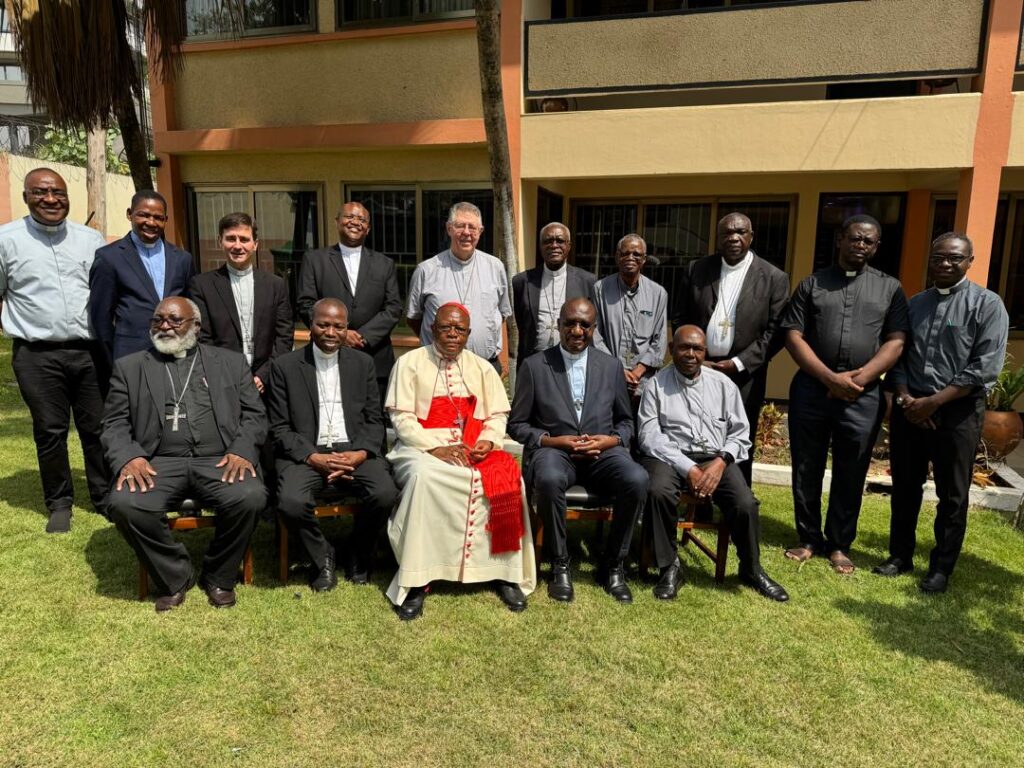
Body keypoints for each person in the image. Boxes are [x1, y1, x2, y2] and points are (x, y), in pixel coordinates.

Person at [102, 297, 267, 611]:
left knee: (250, 496)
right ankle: (176, 576)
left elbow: (255, 415)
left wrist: (242, 451)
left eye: (175, 320)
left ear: (197, 326)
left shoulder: (230, 363)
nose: (164, 326)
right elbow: (113, 423)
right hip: (157, 462)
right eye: (158, 319)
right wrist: (129, 457)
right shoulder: (130, 367)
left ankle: (218, 575)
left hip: (219, 459)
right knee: (125, 503)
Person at [875, 233, 1008, 593]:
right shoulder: (916, 304)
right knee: (905, 487)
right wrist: (906, 398)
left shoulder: (987, 305)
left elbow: (984, 366)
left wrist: (934, 402)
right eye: (938, 258)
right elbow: (899, 354)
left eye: (954, 258)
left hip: (958, 411)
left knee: (952, 494)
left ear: (969, 261)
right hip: (911, 408)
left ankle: (941, 568)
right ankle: (899, 556)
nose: (945, 264)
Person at [385, 302, 535, 620]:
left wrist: (488, 441)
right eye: (446, 327)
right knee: (425, 478)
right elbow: (402, 420)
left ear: (468, 334)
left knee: (509, 476)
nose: (453, 334)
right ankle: (417, 579)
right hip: (419, 446)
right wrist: (434, 448)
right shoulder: (409, 363)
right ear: (432, 329)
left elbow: (496, 416)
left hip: (471, 444)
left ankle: (503, 573)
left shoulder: (482, 368)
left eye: (460, 329)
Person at [781, 214, 909, 574]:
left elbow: (896, 341)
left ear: (877, 247)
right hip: (812, 391)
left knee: (852, 470)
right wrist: (828, 379)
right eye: (855, 238)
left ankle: (839, 543)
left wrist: (859, 380)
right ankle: (808, 538)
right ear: (840, 239)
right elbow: (792, 335)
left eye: (868, 241)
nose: (861, 245)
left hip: (862, 396)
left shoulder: (890, 288)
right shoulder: (812, 284)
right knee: (806, 466)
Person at [509, 297, 649, 604]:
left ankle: (613, 565)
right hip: (556, 451)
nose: (576, 331)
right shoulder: (535, 366)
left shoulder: (611, 366)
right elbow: (517, 424)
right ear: (558, 325)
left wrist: (611, 440)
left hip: (602, 453)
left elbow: (626, 421)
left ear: (594, 329)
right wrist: (551, 441)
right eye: (570, 323)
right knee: (547, 478)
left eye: (584, 325)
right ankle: (560, 564)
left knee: (637, 479)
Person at [638, 325, 789, 602]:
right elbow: (650, 437)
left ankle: (751, 568)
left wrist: (721, 462)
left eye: (697, 349)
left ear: (705, 352)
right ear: (671, 350)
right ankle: (669, 566)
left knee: (744, 503)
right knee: (658, 491)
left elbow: (740, 433)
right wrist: (689, 468)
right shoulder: (656, 385)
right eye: (684, 347)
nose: (691, 354)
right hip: (670, 457)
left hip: (715, 456)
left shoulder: (723, 384)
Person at [0, 167, 110, 533]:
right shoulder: (6, 240)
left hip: (88, 351)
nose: (51, 199)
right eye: (41, 192)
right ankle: (60, 502)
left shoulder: (91, 240)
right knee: (50, 429)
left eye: (58, 192)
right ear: (26, 197)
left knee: (98, 427)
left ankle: (103, 495)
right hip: (37, 354)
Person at [268, 299, 399, 591]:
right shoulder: (285, 366)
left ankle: (357, 551)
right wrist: (313, 457)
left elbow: (374, 419)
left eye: (338, 326)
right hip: (307, 454)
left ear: (347, 328)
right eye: (323, 325)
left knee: (385, 493)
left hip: (353, 450)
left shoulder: (363, 363)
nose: (330, 332)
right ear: (310, 326)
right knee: (290, 501)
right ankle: (322, 556)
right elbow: (278, 427)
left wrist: (360, 453)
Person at [676, 212, 790, 485]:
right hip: (698, 368)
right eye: (727, 233)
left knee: (740, 436)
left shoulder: (774, 277)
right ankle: (697, 494)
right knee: (696, 432)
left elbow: (776, 332)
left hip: (745, 373)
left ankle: (737, 498)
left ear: (751, 236)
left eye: (740, 232)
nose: (734, 238)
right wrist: (695, 357)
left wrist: (739, 363)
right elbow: (680, 317)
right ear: (718, 238)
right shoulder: (697, 269)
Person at [296, 201, 402, 400]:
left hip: (374, 356)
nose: (355, 222)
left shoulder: (384, 264)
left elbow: (393, 308)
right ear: (337, 222)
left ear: (368, 228)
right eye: (349, 217)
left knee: (373, 414)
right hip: (326, 354)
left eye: (362, 219)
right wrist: (340, 334)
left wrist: (362, 336)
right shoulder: (315, 260)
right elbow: (306, 304)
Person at [89, 190, 196, 377]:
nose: (151, 222)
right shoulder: (109, 258)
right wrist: (113, 362)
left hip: (176, 355)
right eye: (144, 215)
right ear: (130, 214)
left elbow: (191, 308)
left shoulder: (182, 259)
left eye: (158, 217)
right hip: (131, 357)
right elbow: (101, 319)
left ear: (166, 220)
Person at [189, 212, 293, 396]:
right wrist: (230, 377)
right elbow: (203, 339)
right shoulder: (202, 286)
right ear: (220, 241)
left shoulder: (275, 285)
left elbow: (284, 337)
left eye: (244, 239)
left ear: (255, 244)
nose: (238, 246)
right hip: (223, 384)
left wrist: (263, 376)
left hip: (267, 385)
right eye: (231, 239)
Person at [406, 202, 512, 376]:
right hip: (439, 368)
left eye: (472, 227)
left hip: (485, 367)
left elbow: (502, 315)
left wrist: (504, 362)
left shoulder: (495, 267)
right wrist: (438, 342)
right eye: (460, 226)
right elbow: (414, 319)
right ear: (449, 229)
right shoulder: (426, 270)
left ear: (480, 231)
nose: (466, 232)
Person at [511, 222, 597, 369]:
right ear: (540, 246)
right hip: (533, 361)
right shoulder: (522, 281)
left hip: (573, 360)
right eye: (548, 241)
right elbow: (521, 321)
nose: (554, 245)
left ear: (568, 246)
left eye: (560, 241)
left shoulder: (587, 281)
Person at [592, 234, 668, 399]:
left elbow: (660, 340)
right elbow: (595, 335)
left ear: (644, 259)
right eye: (625, 253)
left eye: (636, 254)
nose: (630, 257)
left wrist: (638, 372)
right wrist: (618, 369)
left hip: (643, 380)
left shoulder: (658, 293)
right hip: (608, 377)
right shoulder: (600, 289)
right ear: (617, 257)